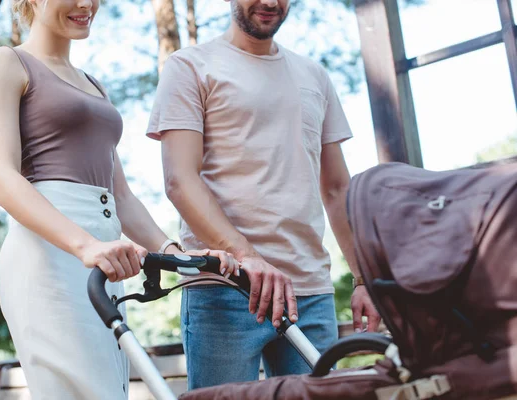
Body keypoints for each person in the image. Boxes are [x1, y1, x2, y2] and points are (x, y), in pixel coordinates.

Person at [0, 0, 238, 398]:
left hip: (103, 257)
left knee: (110, 389)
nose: (86, 5)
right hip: (50, 257)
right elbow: (2, 178)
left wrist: (175, 253)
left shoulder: (93, 84)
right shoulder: (6, 64)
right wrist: (86, 245)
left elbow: (122, 197)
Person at [146, 0, 381, 390]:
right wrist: (247, 256)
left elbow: (337, 188)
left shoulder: (314, 75)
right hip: (223, 287)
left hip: (309, 293)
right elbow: (180, 181)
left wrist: (363, 278)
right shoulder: (189, 66)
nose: (271, 3)